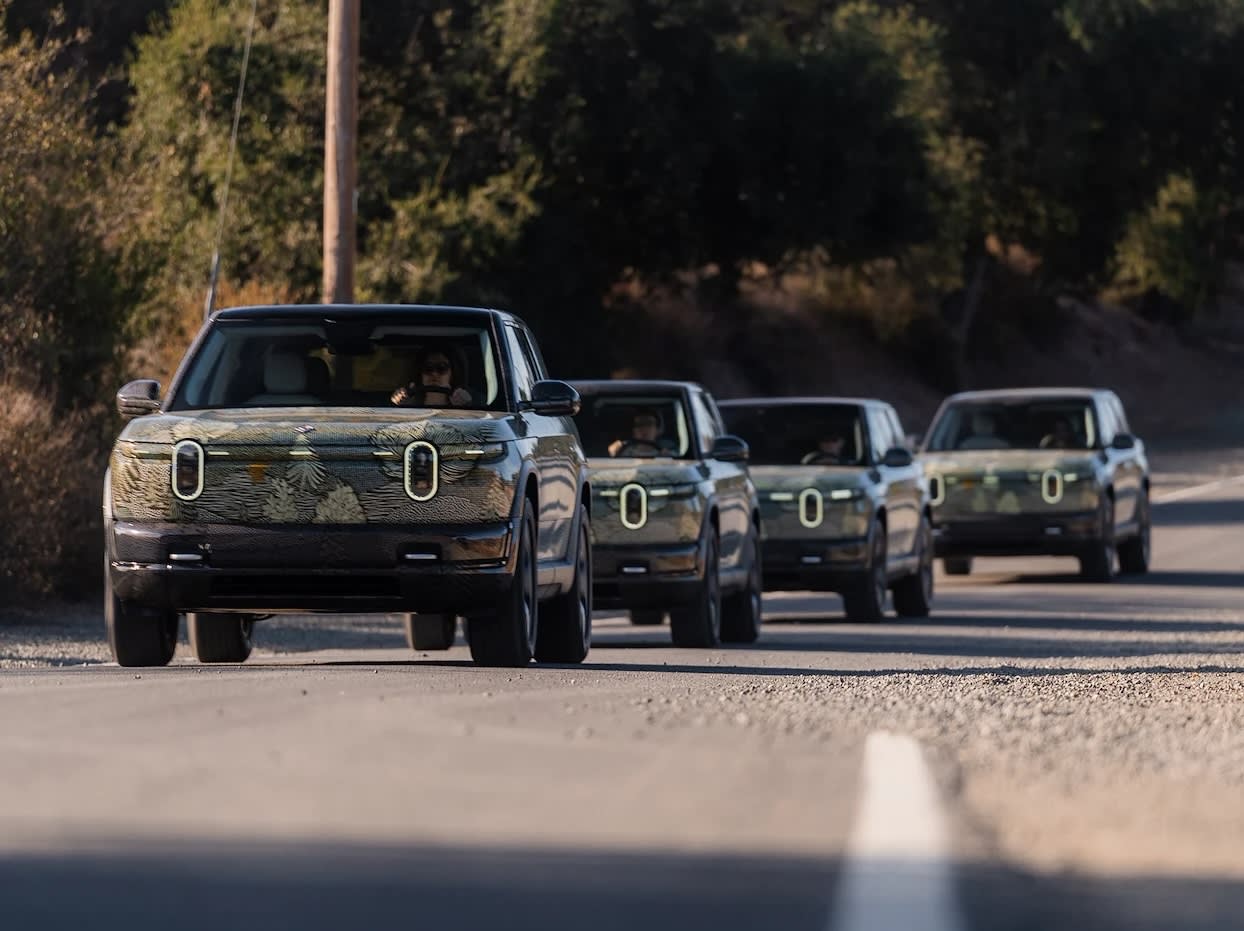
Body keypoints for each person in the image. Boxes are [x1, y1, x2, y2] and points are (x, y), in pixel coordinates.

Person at [391, 345, 473, 408]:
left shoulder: (465, 403)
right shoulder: (410, 402)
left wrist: (467, 407)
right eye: (428, 368)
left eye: (442, 368)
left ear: (452, 373)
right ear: (420, 373)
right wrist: (399, 404)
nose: (434, 373)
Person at [608, 410, 675, 457]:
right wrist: (612, 454)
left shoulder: (668, 454)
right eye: (639, 424)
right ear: (633, 431)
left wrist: (669, 460)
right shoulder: (624, 452)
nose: (644, 428)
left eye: (649, 423)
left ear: (658, 430)